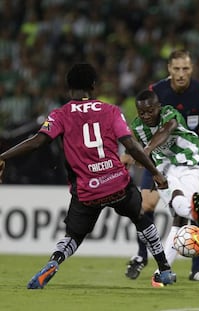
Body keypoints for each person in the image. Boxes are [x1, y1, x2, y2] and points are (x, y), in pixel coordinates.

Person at [0, 63, 176, 289]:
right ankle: (165, 268)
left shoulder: (60, 115)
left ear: (69, 87)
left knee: (74, 235)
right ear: (93, 86)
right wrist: (155, 173)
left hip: (87, 191)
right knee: (141, 217)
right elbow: (131, 146)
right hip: (117, 184)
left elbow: (37, 142)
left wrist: (3, 156)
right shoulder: (111, 110)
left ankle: (55, 261)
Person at [125, 49, 199, 281]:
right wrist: (135, 154)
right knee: (146, 206)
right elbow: (140, 131)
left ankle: (196, 269)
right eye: (177, 69)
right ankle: (142, 255)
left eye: (186, 69)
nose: (181, 73)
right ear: (169, 70)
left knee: (195, 211)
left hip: (190, 155)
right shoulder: (155, 92)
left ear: (191, 69)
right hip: (160, 158)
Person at [123, 89, 199, 287]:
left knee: (180, 220)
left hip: (189, 163)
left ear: (158, 108)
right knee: (178, 204)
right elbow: (138, 154)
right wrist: (140, 160)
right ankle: (191, 209)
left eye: (150, 111)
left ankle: (162, 272)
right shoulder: (137, 126)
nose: (146, 116)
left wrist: (146, 151)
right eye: (141, 112)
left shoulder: (169, 113)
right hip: (164, 168)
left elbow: (166, 130)